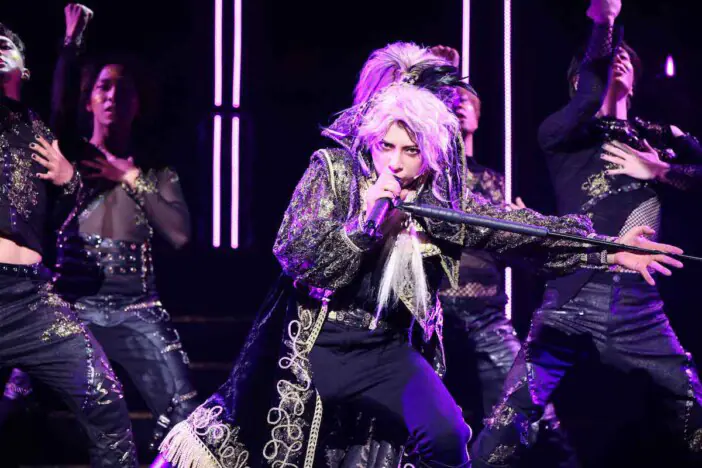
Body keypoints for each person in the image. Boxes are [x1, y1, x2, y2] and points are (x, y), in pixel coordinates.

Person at [157, 55, 681, 467]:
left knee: (448, 437)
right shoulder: (334, 172)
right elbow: (297, 254)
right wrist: (365, 225)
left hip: (385, 351)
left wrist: (610, 247)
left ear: (429, 154)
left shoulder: (435, 200)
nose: (396, 163)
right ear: (371, 139)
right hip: (313, 348)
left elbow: (516, 229)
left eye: (411, 152)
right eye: (387, 147)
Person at [471, 0, 702, 466]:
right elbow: (588, 98)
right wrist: (604, 23)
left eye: (626, 57)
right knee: (515, 412)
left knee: (688, 400)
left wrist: (659, 169)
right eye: (607, 57)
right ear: (578, 80)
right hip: (573, 296)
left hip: (640, 303)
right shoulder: (563, 134)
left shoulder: (653, 140)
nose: (619, 60)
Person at [1, 3, 199, 452]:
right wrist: (72, 44)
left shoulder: (155, 171)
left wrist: (129, 176)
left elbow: (181, 235)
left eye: (125, 90)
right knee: (13, 404)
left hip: (138, 310)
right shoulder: (68, 155)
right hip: (71, 304)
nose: (113, 97)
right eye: (104, 87)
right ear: (89, 98)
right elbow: (58, 103)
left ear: (139, 103)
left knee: (188, 416)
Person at [0, 21, 137, 467]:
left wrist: (69, 178)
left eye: (7, 43)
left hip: (29, 299)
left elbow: (63, 104)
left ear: (24, 68)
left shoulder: (40, 130)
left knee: (104, 398)